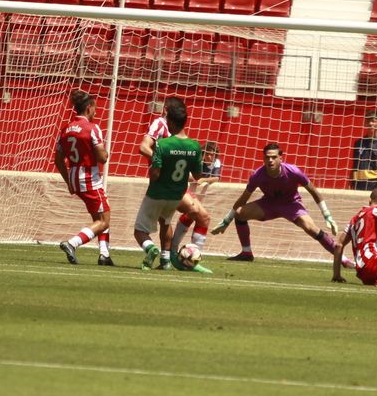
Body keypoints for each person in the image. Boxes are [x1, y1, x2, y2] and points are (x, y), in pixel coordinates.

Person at [211, 142, 344, 262]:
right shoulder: (257, 175)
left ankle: (342, 258)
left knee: (311, 228)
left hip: (291, 204)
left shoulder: (294, 171)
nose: (270, 160)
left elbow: (314, 192)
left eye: (274, 157)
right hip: (268, 204)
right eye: (267, 157)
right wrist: (227, 220)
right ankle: (246, 253)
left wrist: (327, 216)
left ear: (281, 158)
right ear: (263, 158)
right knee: (240, 213)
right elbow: (243, 199)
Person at [139, 96, 213, 269]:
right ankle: (181, 259)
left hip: (176, 182)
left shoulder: (178, 134)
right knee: (199, 214)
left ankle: (173, 258)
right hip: (165, 183)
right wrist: (163, 162)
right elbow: (143, 147)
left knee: (168, 221)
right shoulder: (159, 123)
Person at [53, 89, 114, 266]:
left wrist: (68, 183)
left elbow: (58, 159)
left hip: (74, 178)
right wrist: (104, 152)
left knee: (99, 216)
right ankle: (72, 243)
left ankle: (104, 255)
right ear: (88, 108)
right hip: (89, 178)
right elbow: (103, 158)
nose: (96, 112)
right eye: (94, 108)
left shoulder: (65, 129)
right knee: (104, 220)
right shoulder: (92, 128)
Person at [169, 139, 220, 254]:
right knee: (191, 214)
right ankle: (172, 249)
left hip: (199, 194)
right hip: (184, 190)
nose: (209, 157)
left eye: (212, 155)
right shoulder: (197, 161)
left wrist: (204, 180)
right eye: (207, 154)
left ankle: (194, 254)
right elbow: (190, 176)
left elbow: (216, 178)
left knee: (200, 216)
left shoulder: (216, 162)